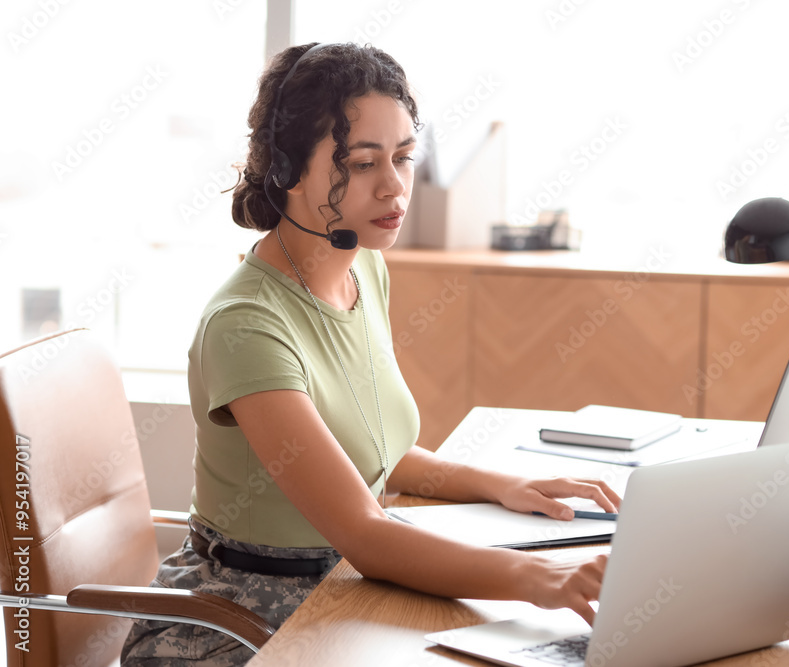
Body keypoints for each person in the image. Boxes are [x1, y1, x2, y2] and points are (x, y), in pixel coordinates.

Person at [121, 42, 619, 665]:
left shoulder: (366, 271)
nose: (394, 186)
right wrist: (542, 583)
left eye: (404, 158)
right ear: (287, 170)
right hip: (240, 619)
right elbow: (364, 533)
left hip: (341, 588)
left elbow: (373, 449)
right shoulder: (246, 326)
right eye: (361, 163)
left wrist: (504, 486)